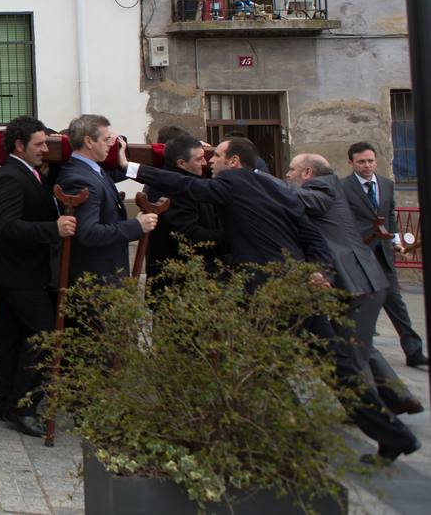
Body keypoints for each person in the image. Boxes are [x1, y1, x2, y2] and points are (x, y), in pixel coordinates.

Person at [124, 137, 421, 465]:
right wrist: (320, 271)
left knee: (262, 367)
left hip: (269, 292)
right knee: (338, 367)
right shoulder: (277, 187)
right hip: (299, 288)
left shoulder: (232, 181)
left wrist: (130, 167)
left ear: (234, 162)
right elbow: (309, 235)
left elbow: (185, 185)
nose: (211, 161)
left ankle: (299, 442)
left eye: (218, 156)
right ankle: (395, 436)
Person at [286, 154, 423, 416]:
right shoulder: (330, 186)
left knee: (352, 353)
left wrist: (255, 178)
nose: (287, 174)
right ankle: (400, 398)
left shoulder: (322, 188)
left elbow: (295, 198)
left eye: (292, 170)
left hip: (359, 282)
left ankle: (376, 414)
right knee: (361, 346)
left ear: (306, 173)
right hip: (355, 282)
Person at [0, 116, 73, 438]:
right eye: (39, 144)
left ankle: (7, 401)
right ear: (19, 146)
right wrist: (52, 228)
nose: (45, 150)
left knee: (13, 338)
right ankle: (23, 407)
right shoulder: (12, 176)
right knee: (46, 336)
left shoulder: (30, 173)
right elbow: (8, 225)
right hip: (18, 272)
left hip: (25, 270)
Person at [343, 142, 427, 368]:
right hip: (359, 256)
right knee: (356, 304)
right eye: (361, 162)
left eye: (370, 161)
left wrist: (396, 241)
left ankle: (414, 351)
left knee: (396, 304)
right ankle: (353, 350)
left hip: (383, 254)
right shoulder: (343, 187)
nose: (367, 166)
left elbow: (389, 215)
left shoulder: (387, 185)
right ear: (351, 163)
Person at [56, 114, 156, 282]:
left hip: (107, 276)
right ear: (88, 141)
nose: (111, 144)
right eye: (106, 139)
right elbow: (88, 233)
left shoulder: (94, 170)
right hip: (95, 281)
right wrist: (136, 226)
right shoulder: (79, 178)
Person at [143, 133, 226, 277]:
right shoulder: (171, 189)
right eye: (199, 159)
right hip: (179, 276)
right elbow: (190, 235)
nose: (205, 163)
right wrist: (229, 239)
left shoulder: (191, 179)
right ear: (181, 163)